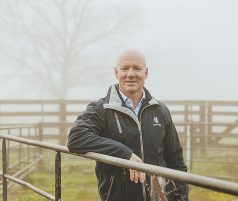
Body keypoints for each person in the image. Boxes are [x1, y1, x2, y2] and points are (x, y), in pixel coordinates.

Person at [68, 49, 189, 201]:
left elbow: (176, 161)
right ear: (116, 72)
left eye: (137, 68)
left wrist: (181, 198)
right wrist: (124, 154)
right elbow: (76, 138)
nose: (130, 74)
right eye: (125, 68)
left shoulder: (160, 110)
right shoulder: (101, 109)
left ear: (146, 73)